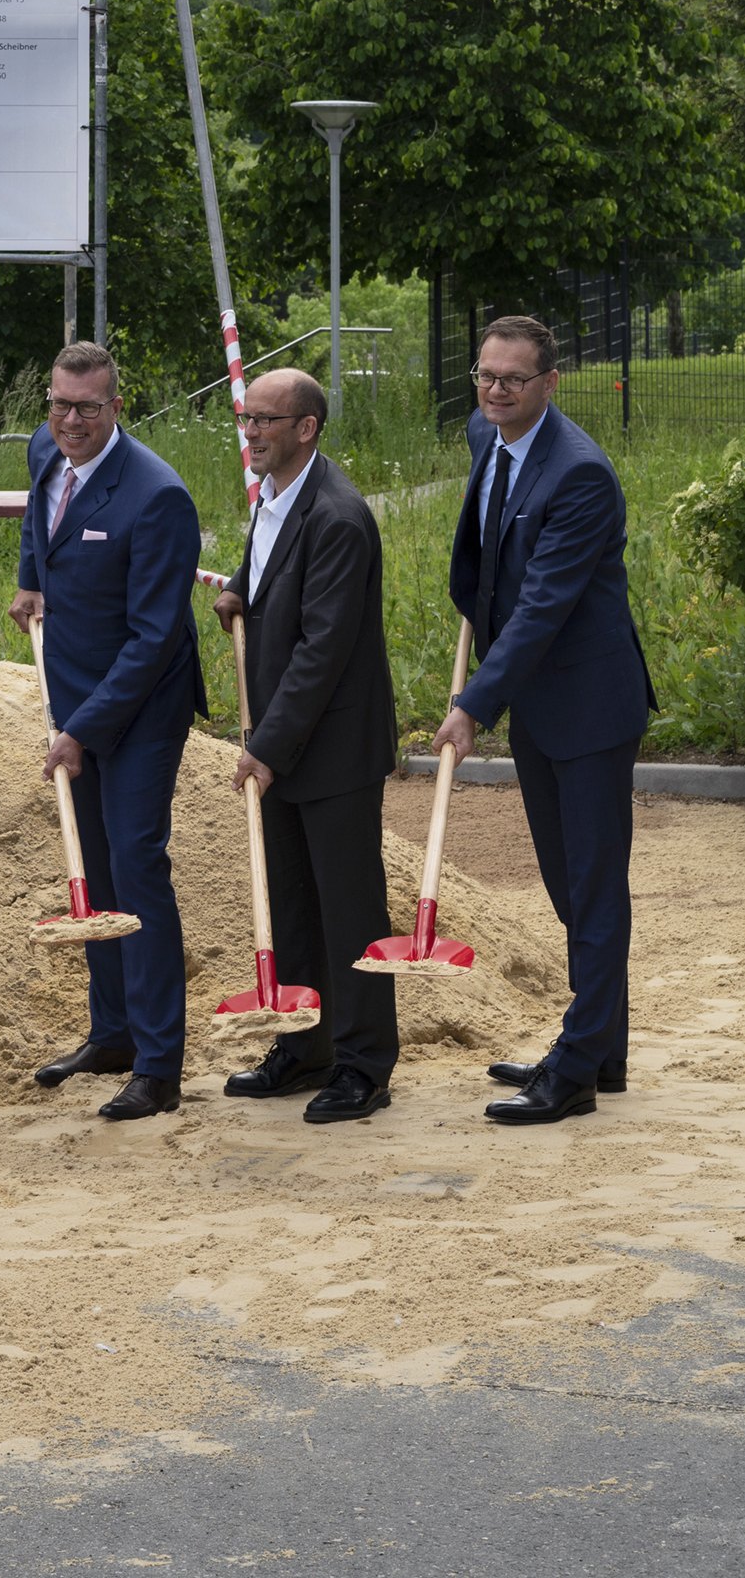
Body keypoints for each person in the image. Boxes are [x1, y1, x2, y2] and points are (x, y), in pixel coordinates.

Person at [434, 316, 654, 1126]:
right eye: (485, 376)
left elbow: (540, 608)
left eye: (513, 380)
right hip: (536, 698)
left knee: (591, 892)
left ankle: (575, 1070)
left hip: (588, 705)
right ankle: (603, 1048)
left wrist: (471, 705)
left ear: (549, 384)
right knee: (571, 891)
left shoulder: (579, 475)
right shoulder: (483, 433)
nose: (495, 391)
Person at [13, 340, 205, 1118]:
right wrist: (30, 577)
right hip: (77, 698)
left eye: (87, 408)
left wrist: (83, 730)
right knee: (89, 871)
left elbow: (153, 636)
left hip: (140, 710)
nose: (69, 421)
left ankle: (158, 1064)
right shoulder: (46, 449)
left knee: (134, 869)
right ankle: (113, 1031)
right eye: (59, 404)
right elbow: (38, 515)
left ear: (116, 407)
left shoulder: (156, 496)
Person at [212, 370, 399, 1122]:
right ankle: (303, 1045)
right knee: (290, 902)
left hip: (330, 747)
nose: (250, 431)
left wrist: (266, 745)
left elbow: (322, 647)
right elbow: (269, 568)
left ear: (306, 428)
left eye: (265, 420)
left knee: (347, 910)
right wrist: (238, 589)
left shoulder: (338, 516)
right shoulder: (274, 495)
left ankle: (361, 1066)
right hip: (284, 742)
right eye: (246, 417)